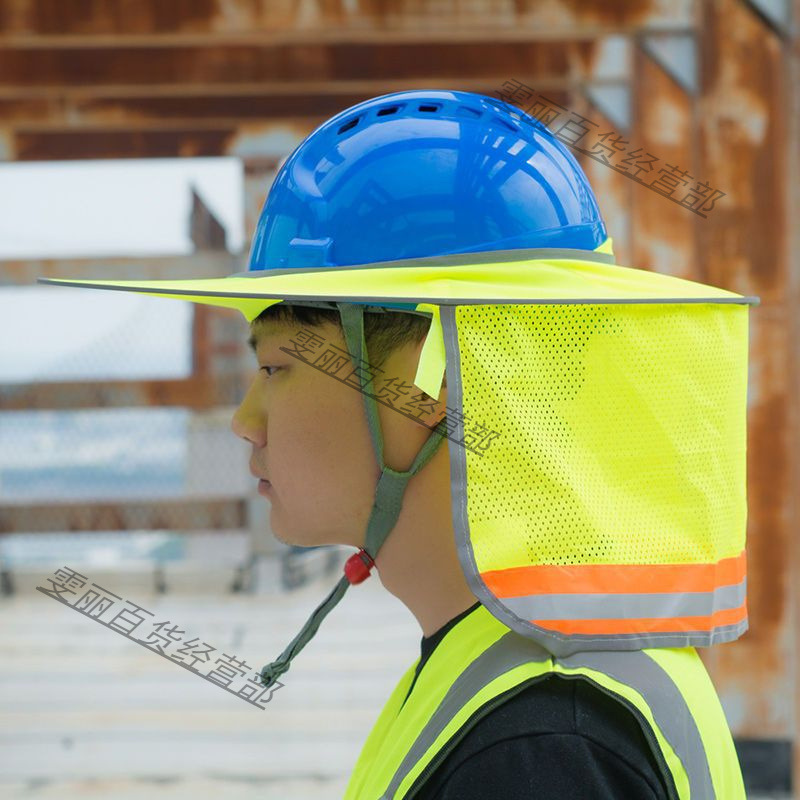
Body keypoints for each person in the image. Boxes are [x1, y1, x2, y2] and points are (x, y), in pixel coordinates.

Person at [39, 89, 755, 799]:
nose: (245, 420)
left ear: (427, 390)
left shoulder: (542, 748)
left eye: (274, 368)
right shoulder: (521, 674)